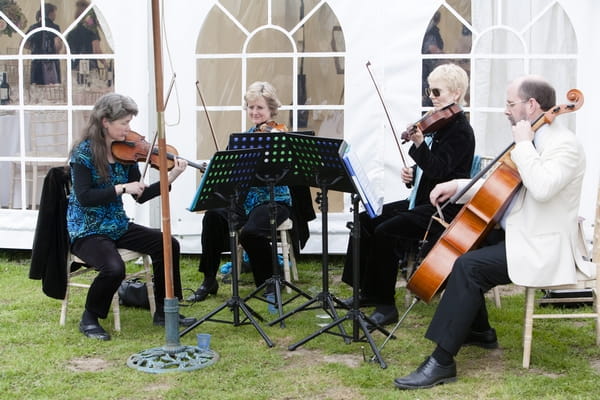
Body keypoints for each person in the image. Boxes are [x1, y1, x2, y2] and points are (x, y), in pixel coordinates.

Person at [393, 75, 595, 390]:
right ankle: (479, 330)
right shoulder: (535, 139)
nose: (505, 110)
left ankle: (442, 360)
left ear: (531, 105)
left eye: (510, 103)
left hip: (540, 244)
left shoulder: (564, 146)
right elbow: (498, 187)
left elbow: (541, 189)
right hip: (518, 231)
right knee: (459, 245)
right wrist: (456, 186)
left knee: (468, 267)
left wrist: (525, 143)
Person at [341, 63, 475, 328]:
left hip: (443, 208)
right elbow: (430, 169)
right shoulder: (441, 126)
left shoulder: (460, 130)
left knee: (386, 230)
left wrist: (418, 145)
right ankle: (365, 290)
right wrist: (413, 175)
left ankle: (386, 305)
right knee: (366, 218)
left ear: (456, 94)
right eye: (430, 91)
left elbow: (441, 169)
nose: (432, 97)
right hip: (423, 200)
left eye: (437, 91)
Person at [67, 93, 196, 341]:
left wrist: (172, 176)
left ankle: (164, 311)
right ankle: (90, 318)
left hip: (116, 224)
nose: (129, 129)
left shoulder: (125, 152)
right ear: (105, 121)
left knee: (168, 244)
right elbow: (84, 197)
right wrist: (121, 188)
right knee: (114, 269)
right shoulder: (83, 153)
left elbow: (140, 195)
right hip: (87, 229)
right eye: (124, 123)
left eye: (129, 122)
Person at [187, 81, 302, 306]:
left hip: (274, 199)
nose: (254, 112)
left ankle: (270, 280)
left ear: (271, 110)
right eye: (251, 107)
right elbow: (232, 173)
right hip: (245, 200)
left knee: (250, 233)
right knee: (212, 216)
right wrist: (215, 168)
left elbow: (289, 169)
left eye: (259, 108)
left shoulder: (279, 135)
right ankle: (209, 279)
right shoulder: (243, 138)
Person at [25, 3, 63, 85]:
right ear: (50, 13)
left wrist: (34, 48)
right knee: (52, 91)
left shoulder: (33, 27)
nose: (55, 15)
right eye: (54, 12)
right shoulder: (54, 27)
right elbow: (57, 45)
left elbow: (24, 43)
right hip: (51, 64)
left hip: (36, 63)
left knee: (37, 89)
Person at [66, 0, 105, 81]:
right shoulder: (92, 32)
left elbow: (65, 53)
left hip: (74, 70)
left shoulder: (70, 34)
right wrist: (105, 64)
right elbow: (96, 51)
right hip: (91, 69)